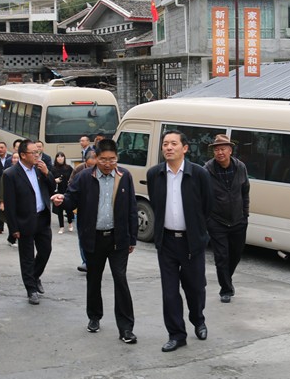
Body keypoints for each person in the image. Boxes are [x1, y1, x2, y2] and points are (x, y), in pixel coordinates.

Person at [51, 139, 138, 344]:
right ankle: (94, 317)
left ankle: (126, 328)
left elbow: (132, 208)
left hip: (118, 239)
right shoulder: (84, 177)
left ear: (117, 158)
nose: (108, 164)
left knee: (121, 280)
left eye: (112, 159)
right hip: (94, 238)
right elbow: (71, 199)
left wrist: (132, 238)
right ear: (96, 158)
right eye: (103, 159)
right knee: (94, 279)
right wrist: (61, 201)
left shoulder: (124, 176)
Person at [146, 130, 213, 353]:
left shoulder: (199, 174)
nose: (168, 147)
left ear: (184, 148)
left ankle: (198, 319)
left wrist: (198, 232)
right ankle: (176, 335)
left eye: (173, 143)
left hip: (191, 242)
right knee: (170, 292)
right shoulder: (155, 174)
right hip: (166, 242)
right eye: (165, 144)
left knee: (195, 288)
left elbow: (207, 206)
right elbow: (156, 204)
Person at [3, 139, 56, 305]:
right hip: (24, 220)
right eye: (33, 153)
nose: (37, 155)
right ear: (23, 155)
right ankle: (31, 289)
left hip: (42, 217)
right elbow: (9, 204)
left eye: (38, 152)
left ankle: (35, 276)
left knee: (45, 250)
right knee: (27, 257)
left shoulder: (40, 169)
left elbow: (52, 188)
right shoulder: (11, 174)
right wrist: (13, 228)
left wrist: (47, 173)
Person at [203, 134, 250, 304]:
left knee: (235, 255)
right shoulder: (207, 170)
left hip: (238, 220)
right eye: (216, 150)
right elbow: (202, 196)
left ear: (230, 150)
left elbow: (245, 191)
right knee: (221, 257)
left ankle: (226, 279)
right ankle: (226, 289)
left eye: (223, 149)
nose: (219, 152)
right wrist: (207, 219)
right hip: (217, 221)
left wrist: (245, 214)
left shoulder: (240, 167)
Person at [70, 149, 99, 272]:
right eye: (89, 166)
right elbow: (71, 185)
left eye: (94, 166)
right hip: (81, 209)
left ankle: (95, 261)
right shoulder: (79, 170)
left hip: (97, 210)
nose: (91, 169)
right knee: (82, 236)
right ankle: (85, 262)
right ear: (85, 162)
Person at [51, 152, 74, 234]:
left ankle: (70, 223)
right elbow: (50, 179)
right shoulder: (53, 169)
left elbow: (74, 176)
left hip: (67, 191)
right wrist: (55, 180)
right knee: (59, 210)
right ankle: (61, 227)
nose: (60, 158)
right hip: (58, 191)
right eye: (58, 157)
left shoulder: (68, 167)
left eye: (62, 156)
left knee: (69, 208)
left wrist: (70, 182)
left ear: (64, 158)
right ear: (56, 158)